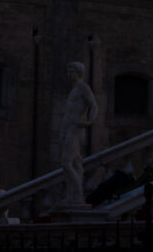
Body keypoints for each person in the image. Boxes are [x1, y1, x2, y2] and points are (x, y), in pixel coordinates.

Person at [58, 62, 98, 206]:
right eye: (68, 71)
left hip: (75, 129)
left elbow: (93, 105)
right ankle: (71, 196)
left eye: (72, 71)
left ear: (79, 73)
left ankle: (78, 196)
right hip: (68, 129)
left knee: (66, 163)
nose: (69, 74)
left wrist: (89, 121)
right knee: (75, 164)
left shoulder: (83, 87)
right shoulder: (74, 89)